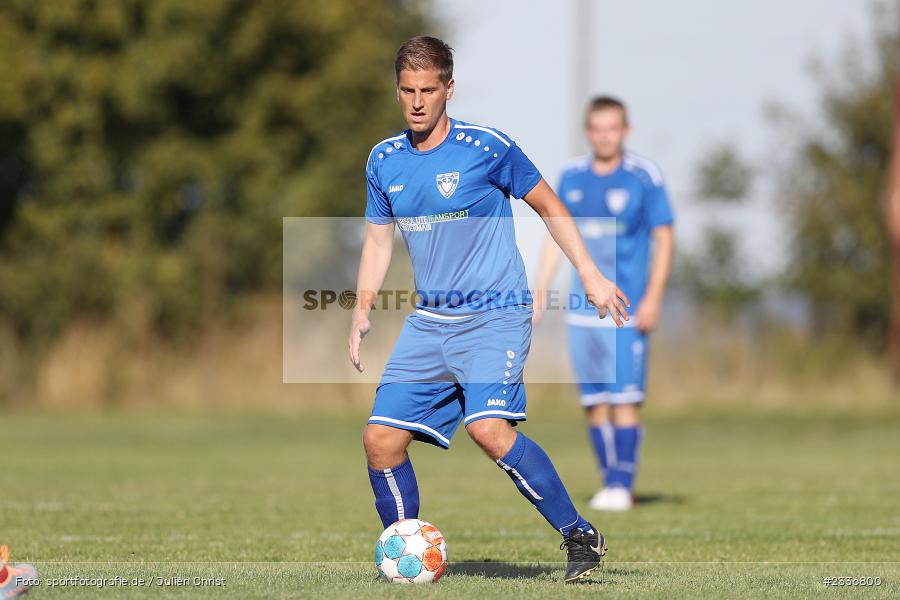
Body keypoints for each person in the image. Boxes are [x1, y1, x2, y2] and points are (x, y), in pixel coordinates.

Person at [348, 36, 629, 583]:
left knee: (488, 428)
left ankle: (579, 535)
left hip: (495, 314)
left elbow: (549, 205)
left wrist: (591, 274)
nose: (417, 102)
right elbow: (379, 240)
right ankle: (404, 554)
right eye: (407, 90)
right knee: (380, 440)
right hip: (431, 322)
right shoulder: (383, 159)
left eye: (429, 90)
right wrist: (361, 309)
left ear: (449, 88)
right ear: (397, 90)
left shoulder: (487, 147)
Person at [534, 96, 675, 511]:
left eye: (612, 128)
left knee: (625, 398)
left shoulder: (643, 176)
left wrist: (654, 296)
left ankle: (621, 485)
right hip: (582, 311)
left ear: (625, 131)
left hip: (626, 310)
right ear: (588, 132)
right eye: (597, 129)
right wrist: (541, 288)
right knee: (595, 402)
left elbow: (664, 237)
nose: (605, 136)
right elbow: (557, 234)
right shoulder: (571, 176)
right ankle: (609, 483)